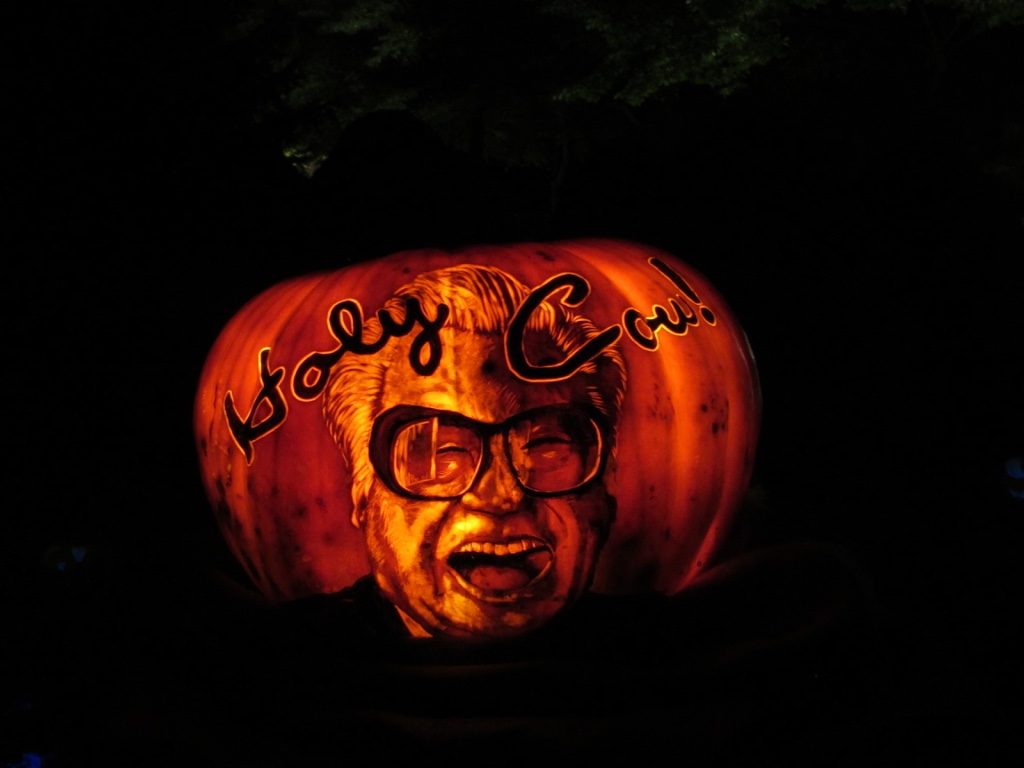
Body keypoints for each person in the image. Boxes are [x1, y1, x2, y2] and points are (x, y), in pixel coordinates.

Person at [321, 264, 627, 640]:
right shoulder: (302, 646)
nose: (500, 496)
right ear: (364, 496)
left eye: (546, 448)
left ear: (605, 490)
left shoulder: (655, 637)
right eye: (443, 453)